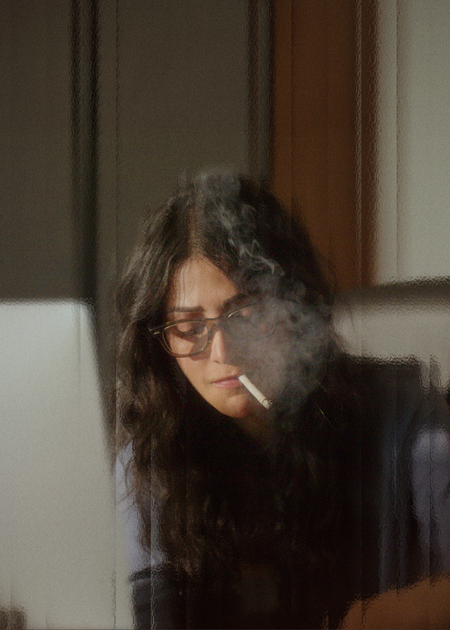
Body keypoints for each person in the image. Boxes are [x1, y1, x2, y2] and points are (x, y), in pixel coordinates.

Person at [115, 171, 450, 629]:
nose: (223, 353)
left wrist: (405, 612)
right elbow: (146, 611)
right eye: (189, 328)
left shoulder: (407, 423)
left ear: (295, 303)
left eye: (244, 313)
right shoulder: (156, 452)